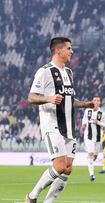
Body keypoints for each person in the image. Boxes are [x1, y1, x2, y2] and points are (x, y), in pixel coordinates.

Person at [26, 37, 94, 203]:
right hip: (52, 125)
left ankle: (48, 201)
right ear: (58, 50)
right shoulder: (45, 71)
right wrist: (48, 98)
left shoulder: (69, 72)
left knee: (68, 169)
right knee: (59, 166)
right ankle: (32, 196)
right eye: (69, 48)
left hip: (69, 127)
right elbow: (31, 97)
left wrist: (86, 104)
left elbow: (69, 101)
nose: (72, 51)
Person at [82, 95, 105, 181]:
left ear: (100, 102)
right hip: (88, 136)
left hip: (98, 137)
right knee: (90, 154)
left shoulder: (103, 113)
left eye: (98, 100)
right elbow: (84, 119)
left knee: (95, 155)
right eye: (95, 100)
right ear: (92, 101)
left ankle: (91, 161)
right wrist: (83, 124)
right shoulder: (87, 111)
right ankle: (92, 175)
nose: (96, 102)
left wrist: (98, 122)